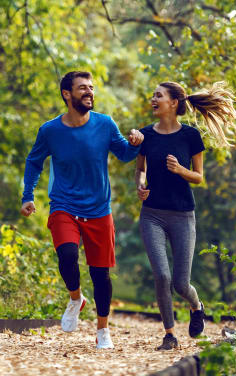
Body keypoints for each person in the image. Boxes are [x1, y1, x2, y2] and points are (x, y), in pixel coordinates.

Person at [21, 71, 144, 349]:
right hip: (64, 205)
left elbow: (124, 154)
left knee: (100, 274)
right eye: (82, 88)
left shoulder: (105, 124)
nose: (89, 92)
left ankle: (103, 331)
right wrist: (27, 195)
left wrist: (136, 143)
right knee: (66, 255)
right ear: (67, 94)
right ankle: (76, 298)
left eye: (91, 88)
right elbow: (33, 161)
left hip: (99, 210)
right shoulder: (50, 130)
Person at [136, 81, 236, 350]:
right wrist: (140, 184)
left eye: (158, 95)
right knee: (162, 276)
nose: (153, 99)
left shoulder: (191, 136)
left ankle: (197, 306)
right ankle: (169, 334)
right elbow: (141, 169)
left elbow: (199, 177)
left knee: (181, 283)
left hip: (182, 215)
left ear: (173, 103)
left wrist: (181, 170)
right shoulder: (147, 135)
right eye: (153, 95)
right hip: (152, 215)